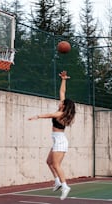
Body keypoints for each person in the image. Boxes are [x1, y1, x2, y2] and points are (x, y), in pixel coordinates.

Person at [28, 70, 76, 200]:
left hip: (60, 141)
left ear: (64, 106)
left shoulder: (61, 114)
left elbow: (49, 115)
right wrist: (64, 79)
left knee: (56, 165)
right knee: (48, 162)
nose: (60, 102)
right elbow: (62, 92)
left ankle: (65, 186)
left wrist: (37, 116)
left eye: (62, 102)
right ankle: (57, 182)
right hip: (57, 140)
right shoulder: (62, 109)